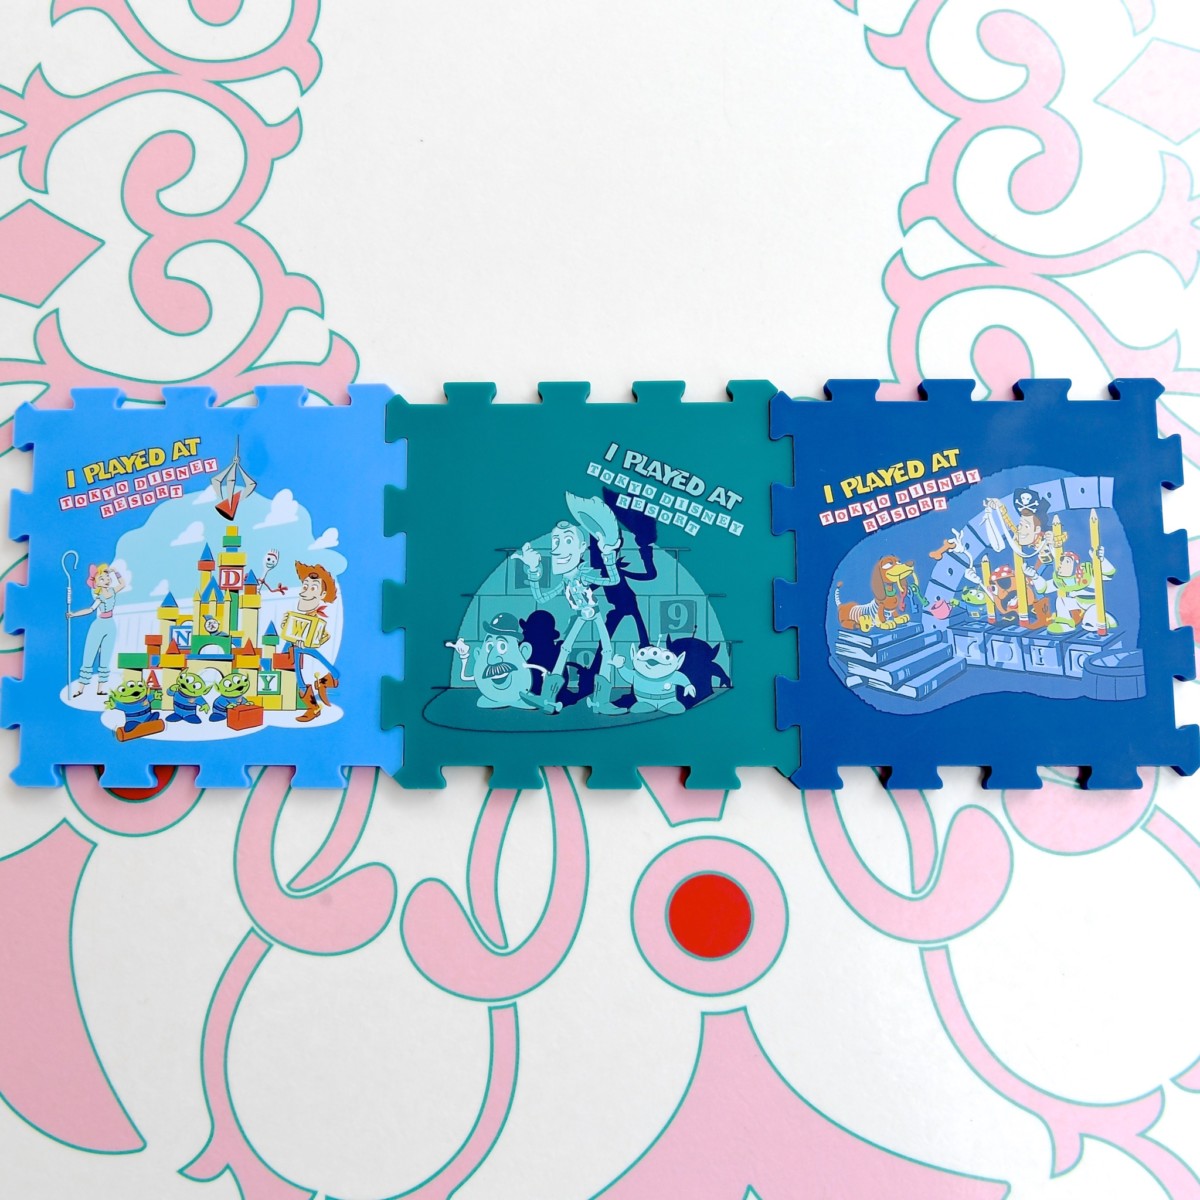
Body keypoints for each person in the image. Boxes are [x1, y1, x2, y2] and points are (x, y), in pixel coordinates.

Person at [283, 561, 340, 723]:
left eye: (313, 588)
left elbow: (322, 636)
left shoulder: (319, 616)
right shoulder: (299, 613)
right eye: (305, 586)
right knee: (298, 674)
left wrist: (307, 640)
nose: (305, 591)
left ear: (322, 594)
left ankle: (325, 684)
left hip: (302, 647)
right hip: (296, 647)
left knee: (302, 673)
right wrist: (287, 626)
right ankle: (318, 696)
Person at [68, 562, 126, 698]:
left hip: (110, 626)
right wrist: (74, 614)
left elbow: (122, 584)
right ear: (96, 582)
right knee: (89, 656)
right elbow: (90, 609)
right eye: (102, 578)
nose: (106, 580)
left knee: (105, 658)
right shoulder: (99, 597)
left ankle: (100, 689)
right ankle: (80, 688)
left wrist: (115, 571)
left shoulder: (112, 591)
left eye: (107, 577)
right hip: (98, 625)